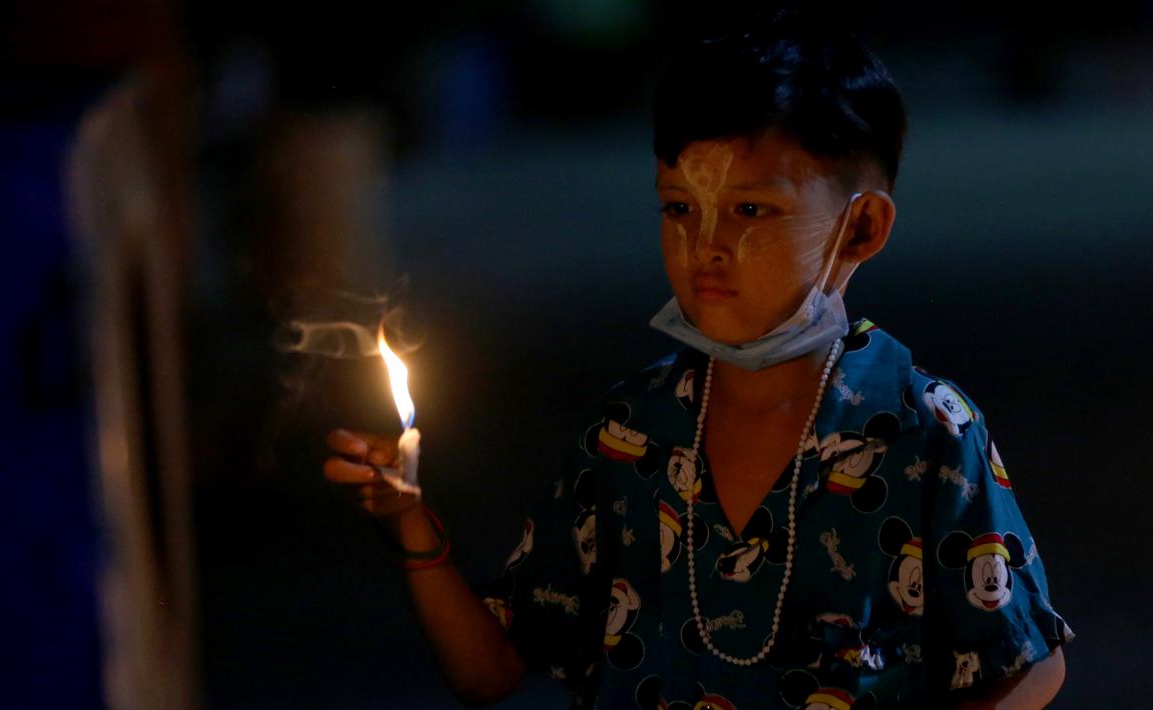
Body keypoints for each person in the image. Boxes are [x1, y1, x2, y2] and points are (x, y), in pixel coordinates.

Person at [324, 11, 1071, 708]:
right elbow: (489, 670)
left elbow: (1026, 665)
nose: (703, 246)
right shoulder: (627, 436)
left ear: (861, 229)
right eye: (678, 207)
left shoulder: (923, 432)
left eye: (750, 210)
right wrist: (411, 523)